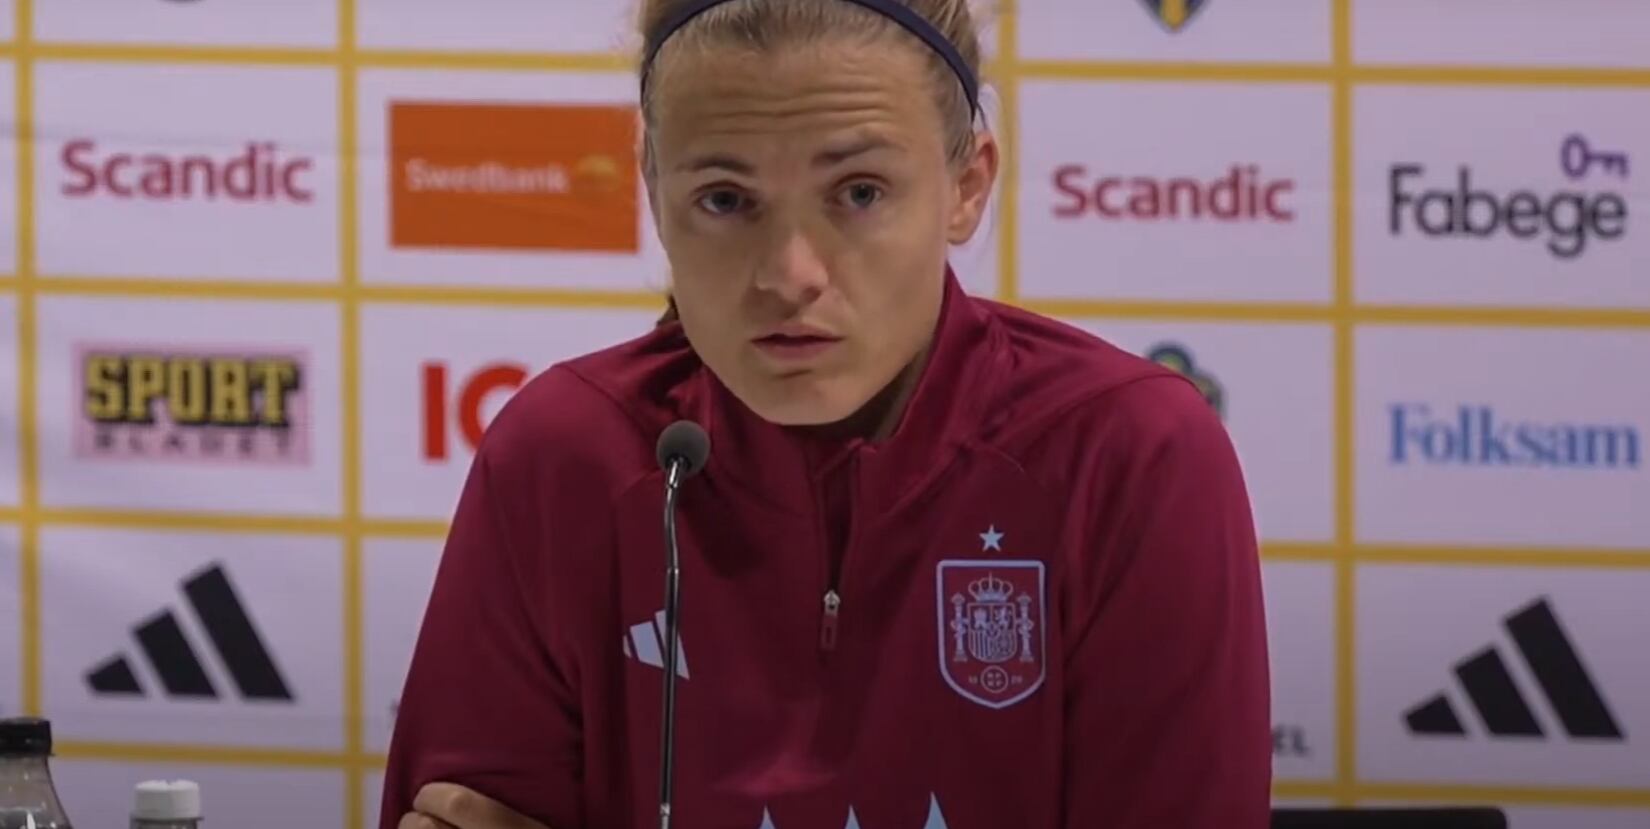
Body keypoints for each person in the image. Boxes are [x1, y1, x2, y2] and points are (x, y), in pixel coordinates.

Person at [382, 0, 1272, 827]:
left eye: (859, 192)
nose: (789, 273)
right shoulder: (563, 454)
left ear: (968, 184)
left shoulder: (1126, 454)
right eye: (727, 200)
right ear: (654, 189)